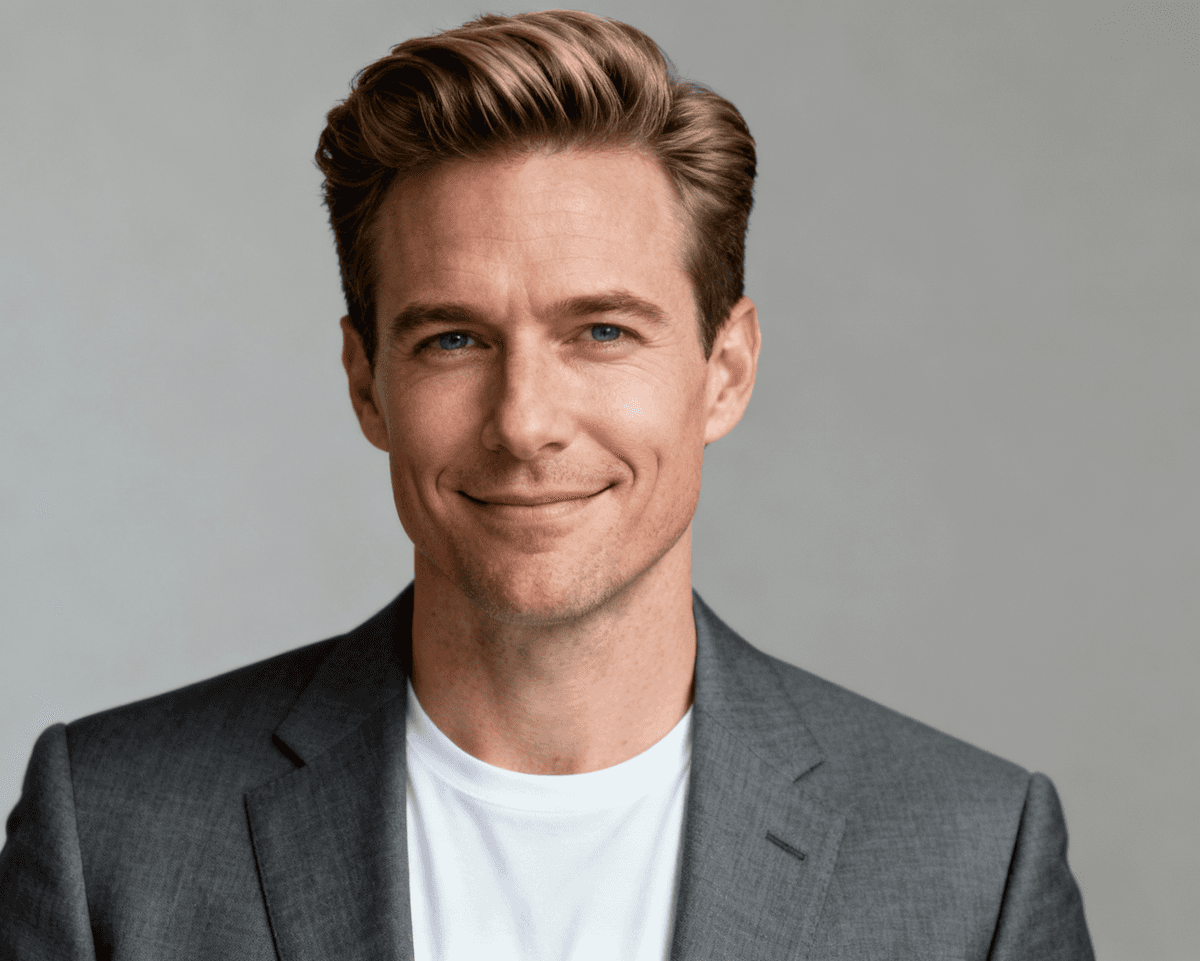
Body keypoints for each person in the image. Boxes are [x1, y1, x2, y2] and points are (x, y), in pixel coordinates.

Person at [0, 11, 1093, 960]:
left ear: (726, 370)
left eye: (602, 330)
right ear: (366, 383)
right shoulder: (113, 834)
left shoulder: (970, 859)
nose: (524, 421)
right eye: (454, 339)